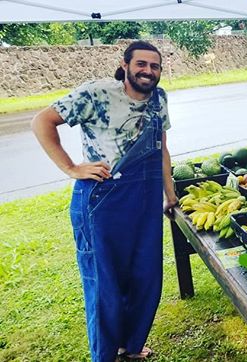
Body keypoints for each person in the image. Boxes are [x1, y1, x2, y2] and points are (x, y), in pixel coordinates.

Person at [31, 41, 177, 361]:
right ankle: (105, 356)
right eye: (141, 64)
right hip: (103, 202)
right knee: (105, 286)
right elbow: (42, 122)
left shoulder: (159, 99)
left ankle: (131, 346)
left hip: (146, 201)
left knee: (144, 277)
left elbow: (161, 148)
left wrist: (170, 194)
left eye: (155, 66)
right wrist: (71, 168)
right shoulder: (96, 94)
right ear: (125, 65)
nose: (148, 71)